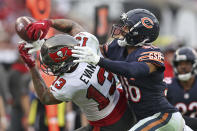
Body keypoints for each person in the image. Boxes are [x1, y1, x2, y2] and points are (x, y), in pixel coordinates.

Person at [25, 8, 193, 131]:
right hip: (140, 118)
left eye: (127, 27)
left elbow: (133, 70)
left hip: (162, 117)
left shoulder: (151, 53)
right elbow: (87, 49)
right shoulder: (118, 47)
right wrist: (51, 47)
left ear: (139, 34)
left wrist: (98, 61)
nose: (122, 29)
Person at [17, 33, 136, 131]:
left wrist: (31, 66)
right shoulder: (88, 43)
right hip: (122, 104)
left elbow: (44, 98)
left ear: (65, 65)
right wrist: (47, 42)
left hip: (108, 123)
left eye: (53, 65)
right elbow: (72, 26)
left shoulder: (70, 83)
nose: (51, 68)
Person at [166, 47, 197, 130]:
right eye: (179, 64)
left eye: (187, 63)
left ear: (194, 64)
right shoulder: (167, 85)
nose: (183, 67)